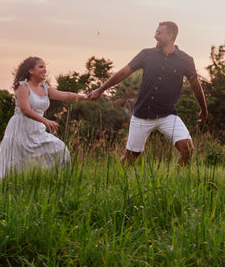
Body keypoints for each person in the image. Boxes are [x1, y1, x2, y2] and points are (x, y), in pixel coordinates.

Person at [88, 21, 208, 165]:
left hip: (167, 114)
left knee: (187, 148)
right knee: (131, 157)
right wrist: (100, 90)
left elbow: (196, 86)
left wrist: (203, 109)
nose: (155, 36)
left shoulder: (185, 60)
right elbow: (123, 73)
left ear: (170, 35)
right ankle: (119, 176)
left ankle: (180, 175)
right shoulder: (146, 55)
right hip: (142, 114)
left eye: (159, 33)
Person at [0, 56, 87, 181]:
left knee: (59, 148)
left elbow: (66, 95)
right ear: (31, 71)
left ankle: (56, 179)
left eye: (45, 67)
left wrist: (85, 97)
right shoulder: (23, 87)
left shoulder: (45, 88)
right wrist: (45, 121)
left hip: (37, 128)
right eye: (41, 67)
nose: (45, 70)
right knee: (17, 158)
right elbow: (25, 110)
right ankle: (9, 183)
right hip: (21, 127)